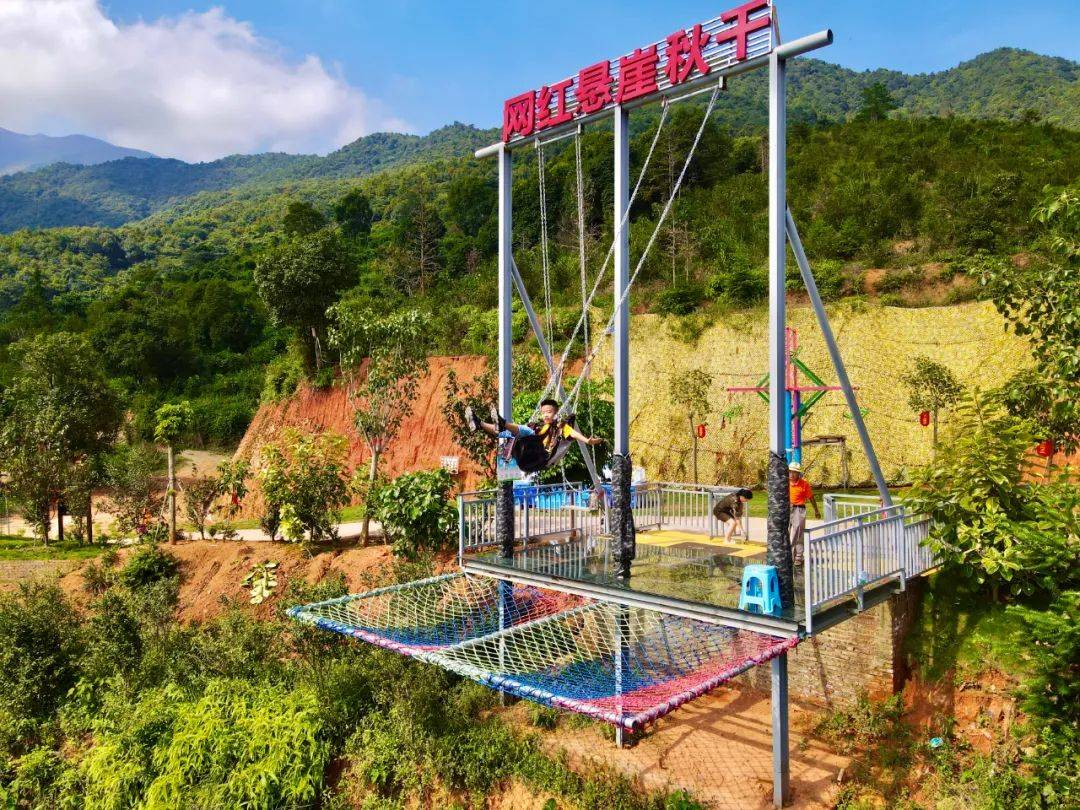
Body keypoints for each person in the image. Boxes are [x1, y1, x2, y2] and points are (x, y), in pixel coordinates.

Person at [465, 398, 603, 473]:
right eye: (543, 412)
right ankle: (479, 424)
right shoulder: (540, 427)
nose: (545, 415)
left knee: (526, 431)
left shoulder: (560, 427)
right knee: (507, 434)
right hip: (528, 456)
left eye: (549, 412)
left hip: (541, 457)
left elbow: (573, 433)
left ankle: (503, 423)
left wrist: (588, 441)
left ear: (556, 413)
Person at [788, 462, 820, 565]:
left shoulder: (804, 484)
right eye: (790, 472)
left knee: (798, 532)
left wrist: (816, 510)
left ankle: (798, 556)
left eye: (794, 472)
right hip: (788, 508)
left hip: (799, 509)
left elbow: (811, 498)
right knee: (786, 532)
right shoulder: (785, 482)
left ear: (798, 474)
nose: (792, 475)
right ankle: (790, 554)